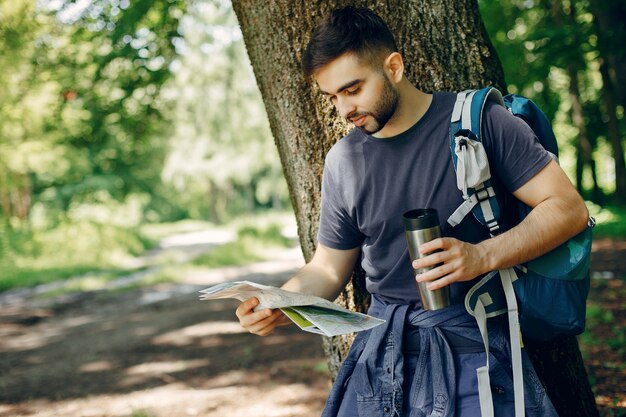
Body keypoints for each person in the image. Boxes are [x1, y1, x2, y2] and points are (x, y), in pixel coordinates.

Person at [235, 6, 588, 417]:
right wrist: (283, 303)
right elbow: (329, 268)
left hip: (474, 344)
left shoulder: (480, 124)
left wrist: (481, 256)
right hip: (383, 351)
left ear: (394, 67)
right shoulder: (343, 162)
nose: (343, 110)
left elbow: (568, 209)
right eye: (332, 97)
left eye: (352, 90)